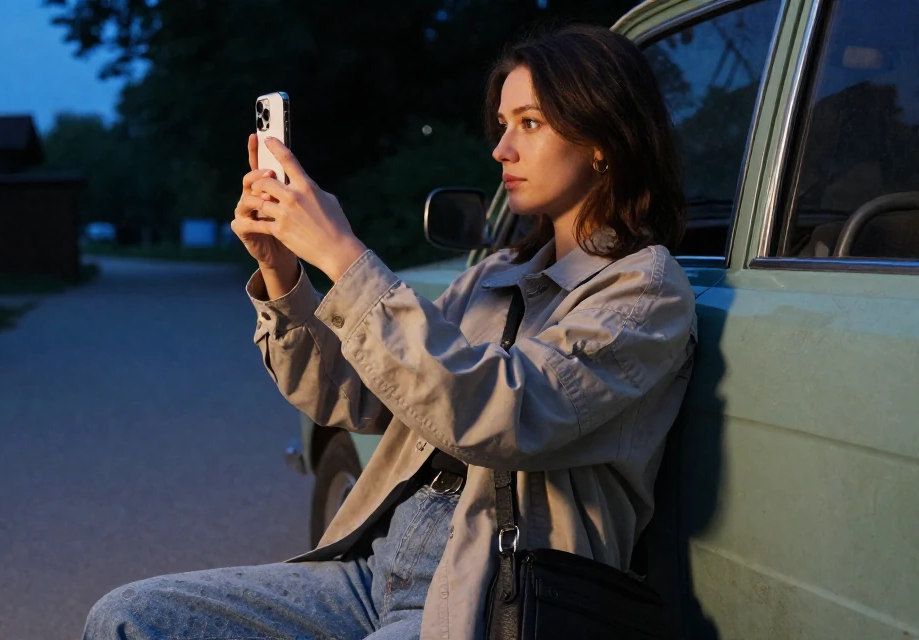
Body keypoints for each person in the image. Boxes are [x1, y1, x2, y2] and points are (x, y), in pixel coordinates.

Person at [83, 23, 697, 640]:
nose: (501, 150)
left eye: (529, 123)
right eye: (503, 124)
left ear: (604, 140)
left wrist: (344, 256)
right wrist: (283, 272)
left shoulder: (643, 291)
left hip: (491, 594)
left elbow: (503, 415)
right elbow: (355, 396)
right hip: (376, 572)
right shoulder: (496, 273)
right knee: (127, 620)